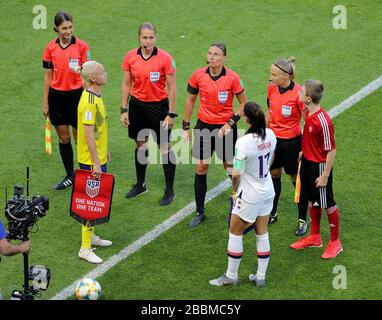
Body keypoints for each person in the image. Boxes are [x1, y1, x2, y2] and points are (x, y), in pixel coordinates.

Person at [209, 102, 276, 287]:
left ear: (246, 119)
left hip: (250, 195)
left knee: (235, 232)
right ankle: (260, 277)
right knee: (262, 233)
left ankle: (231, 276)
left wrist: (234, 188)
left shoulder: (243, 142)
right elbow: (270, 159)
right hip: (267, 190)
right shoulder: (271, 134)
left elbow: (236, 173)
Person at [182, 42, 248, 227]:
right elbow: (190, 100)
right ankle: (200, 212)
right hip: (203, 126)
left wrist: (230, 123)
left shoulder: (233, 78)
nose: (211, 57)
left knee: (229, 167)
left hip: (225, 128)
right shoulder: (198, 75)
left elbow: (244, 104)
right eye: (210, 53)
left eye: (216, 54)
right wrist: (186, 126)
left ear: (224, 58)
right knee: (201, 168)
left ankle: (240, 204)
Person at [120, 22, 177, 206]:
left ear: (156, 37)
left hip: (159, 108)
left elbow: (172, 87)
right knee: (140, 144)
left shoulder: (165, 58)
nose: (148, 41)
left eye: (151, 37)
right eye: (144, 37)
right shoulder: (130, 57)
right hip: (137, 106)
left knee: (165, 147)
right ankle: (140, 184)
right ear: (139, 38)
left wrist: (171, 113)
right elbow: (127, 84)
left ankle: (169, 190)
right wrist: (124, 109)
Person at [290, 80, 343, 259]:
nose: (299, 93)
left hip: (319, 167)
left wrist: (325, 175)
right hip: (306, 163)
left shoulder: (323, 121)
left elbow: (331, 149)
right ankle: (314, 237)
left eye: (302, 92)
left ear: (309, 98)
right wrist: (304, 151)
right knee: (312, 200)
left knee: (328, 203)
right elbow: (312, 139)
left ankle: (335, 243)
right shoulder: (308, 112)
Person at [42, 11, 91, 190]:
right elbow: (48, 76)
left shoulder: (82, 46)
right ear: (56, 29)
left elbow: (87, 74)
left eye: (70, 27)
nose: (68, 31)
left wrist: (88, 98)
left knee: (81, 139)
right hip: (57, 98)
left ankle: (85, 172)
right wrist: (46, 102)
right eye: (64, 28)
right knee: (64, 139)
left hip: (77, 97)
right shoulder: (50, 48)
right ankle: (70, 175)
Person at [266, 57, 309, 236]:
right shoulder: (271, 88)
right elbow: (269, 112)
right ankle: (272, 213)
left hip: (292, 144)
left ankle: (302, 219)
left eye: (274, 75)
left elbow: (308, 122)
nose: (270, 78)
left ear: (286, 76)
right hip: (275, 142)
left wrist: (304, 148)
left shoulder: (299, 93)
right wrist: (264, 135)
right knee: (274, 175)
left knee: (295, 180)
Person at [77, 61, 112, 264]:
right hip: (91, 161)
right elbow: (89, 135)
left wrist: (104, 149)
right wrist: (96, 163)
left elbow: (99, 129)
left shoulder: (96, 95)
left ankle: (91, 237)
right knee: (90, 202)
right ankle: (85, 247)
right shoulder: (89, 101)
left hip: (96, 156)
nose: (105, 73)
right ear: (93, 79)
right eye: (102, 72)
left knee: (96, 199)